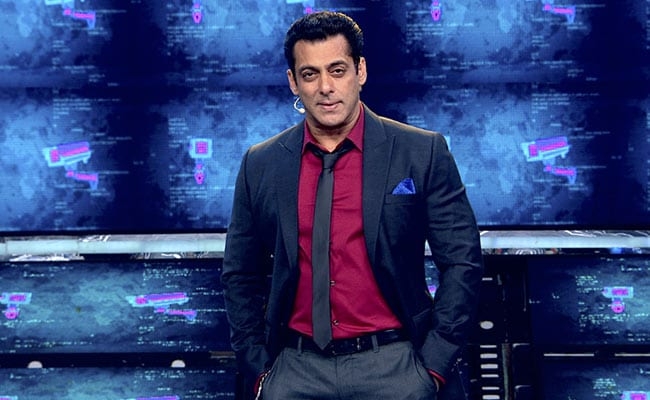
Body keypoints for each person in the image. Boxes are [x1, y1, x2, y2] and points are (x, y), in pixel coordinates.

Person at [221, 10, 484, 400]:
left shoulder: (420, 151)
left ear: (360, 71)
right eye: (310, 74)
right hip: (295, 370)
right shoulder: (261, 164)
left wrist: (432, 366)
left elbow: (463, 261)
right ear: (293, 82)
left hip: (397, 366)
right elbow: (240, 274)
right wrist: (260, 371)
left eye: (337, 70)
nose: (326, 87)